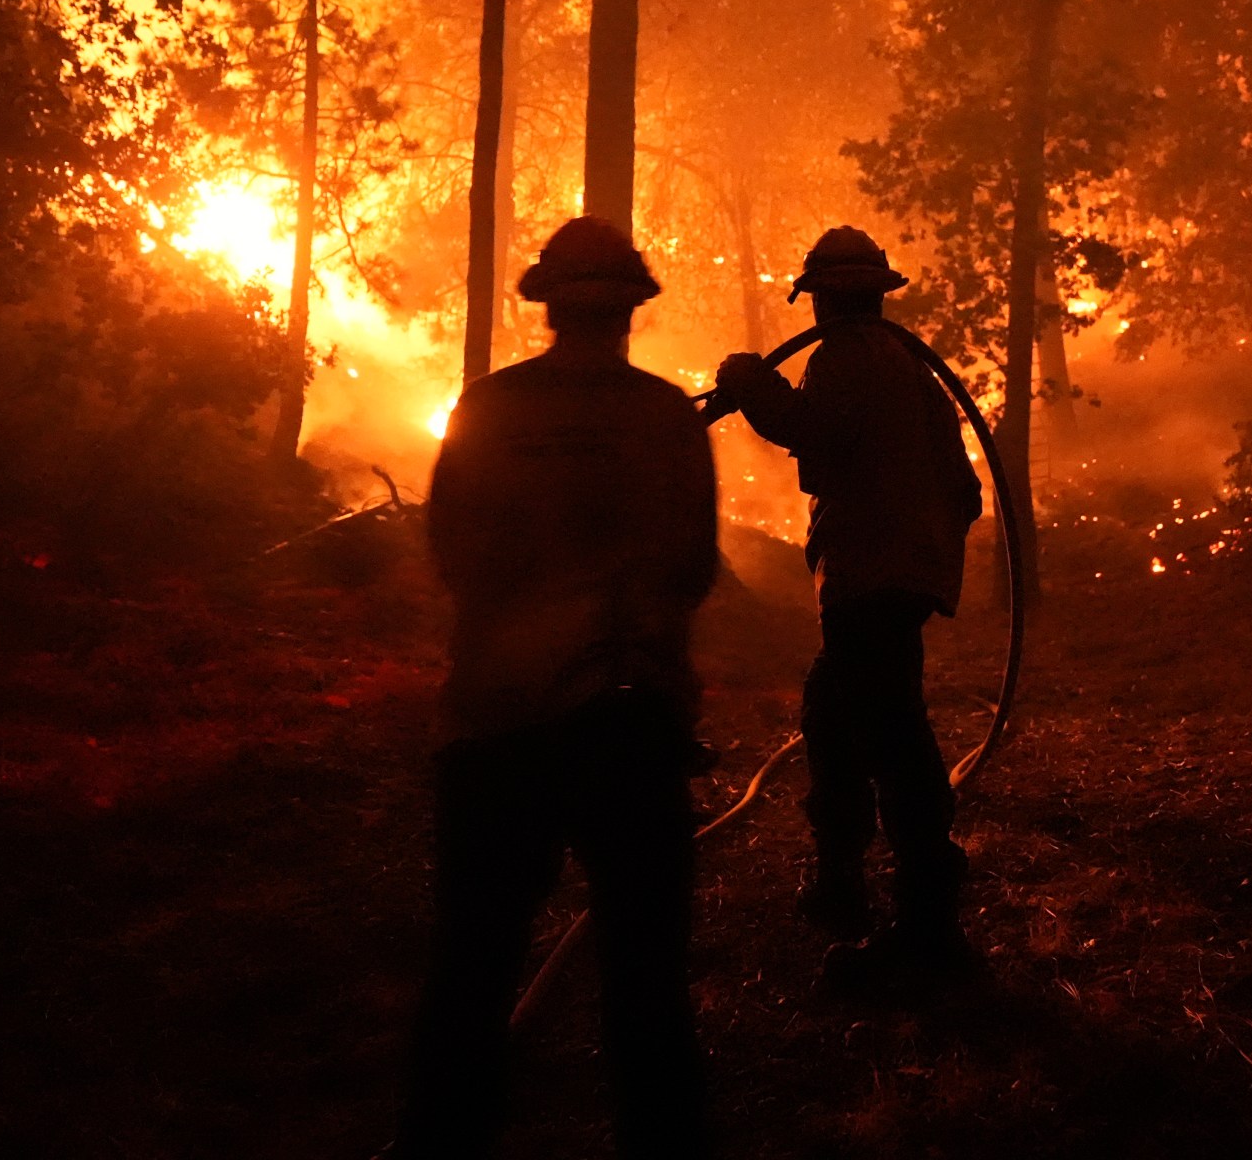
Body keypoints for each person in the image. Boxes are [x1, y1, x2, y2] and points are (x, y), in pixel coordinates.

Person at [393, 217, 717, 1159]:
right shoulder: (664, 418)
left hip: (498, 721)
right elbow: (691, 565)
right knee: (646, 975)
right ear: (629, 312)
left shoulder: (488, 410)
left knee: (472, 962)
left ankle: (440, 1139)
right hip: (628, 721)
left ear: (548, 308)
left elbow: (449, 547)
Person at [712, 226, 983, 973]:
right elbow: (966, 491)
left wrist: (746, 379)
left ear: (825, 297)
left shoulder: (845, 358)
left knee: (891, 737)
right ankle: (841, 886)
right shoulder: (906, 368)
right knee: (833, 718)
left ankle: (929, 930)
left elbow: (811, 432)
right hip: (898, 574)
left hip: (870, 577)